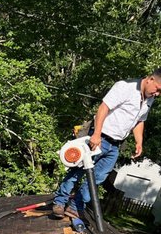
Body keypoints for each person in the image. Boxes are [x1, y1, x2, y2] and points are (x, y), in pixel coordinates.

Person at [53, 69, 161, 220]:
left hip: (115, 145)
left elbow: (139, 121)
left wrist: (139, 142)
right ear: (150, 79)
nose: (157, 94)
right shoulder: (125, 86)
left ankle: (76, 207)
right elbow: (103, 108)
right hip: (99, 138)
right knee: (78, 170)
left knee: (98, 178)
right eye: (158, 89)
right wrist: (96, 134)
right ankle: (59, 202)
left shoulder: (149, 98)